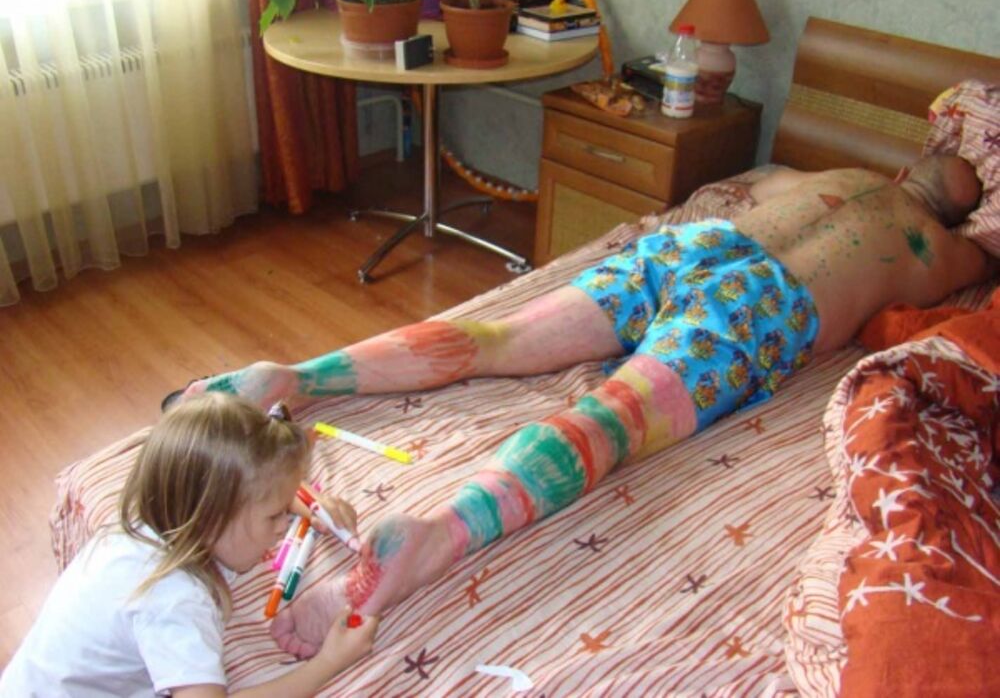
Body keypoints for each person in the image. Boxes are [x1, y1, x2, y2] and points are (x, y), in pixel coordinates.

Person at [178, 155, 994, 660]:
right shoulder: (932, 246)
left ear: (905, 168)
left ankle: (293, 377)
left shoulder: (821, 177)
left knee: (491, 338)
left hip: (691, 247)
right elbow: (976, 269)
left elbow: (754, 179)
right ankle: (441, 534)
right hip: (762, 308)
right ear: (946, 207)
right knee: (614, 416)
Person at [0, 394, 379, 697]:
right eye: (274, 515)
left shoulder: (152, 515)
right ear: (213, 513)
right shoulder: (174, 599)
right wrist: (329, 662)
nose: (284, 528)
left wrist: (296, 499)